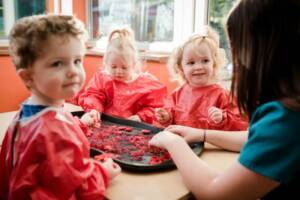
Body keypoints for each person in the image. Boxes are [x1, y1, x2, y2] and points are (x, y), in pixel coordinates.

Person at [149, 0, 300, 199]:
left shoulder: (286, 118)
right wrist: (201, 133)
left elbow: (215, 193)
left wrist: (173, 142)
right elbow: (251, 137)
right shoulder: (289, 108)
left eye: (237, 49)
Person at [0, 14, 121, 199]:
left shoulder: (24, 114)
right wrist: (103, 172)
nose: (73, 71)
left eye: (77, 61)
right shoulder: (55, 133)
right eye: (57, 63)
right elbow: (78, 188)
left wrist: (79, 124)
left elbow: (49, 144)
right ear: (28, 76)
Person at [155, 26, 248, 131]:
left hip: (209, 146)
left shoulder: (222, 95)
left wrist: (222, 118)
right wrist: (166, 118)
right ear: (181, 68)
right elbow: (169, 123)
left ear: (214, 63)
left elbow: (240, 124)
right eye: (191, 63)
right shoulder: (177, 94)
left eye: (205, 61)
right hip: (182, 144)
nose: (198, 67)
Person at [77, 28, 168, 124]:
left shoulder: (147, 85)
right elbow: (94, 95)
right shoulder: (103, 79)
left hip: (132, 129)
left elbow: (153, 107)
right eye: (113, 67)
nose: (118, 71)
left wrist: (141, 116)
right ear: (106, 62)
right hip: (105, 124)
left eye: (124, 67)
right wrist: (94, 110)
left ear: (133, 64)